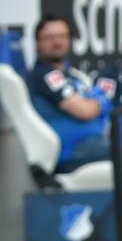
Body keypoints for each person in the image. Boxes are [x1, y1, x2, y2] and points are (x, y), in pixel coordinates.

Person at [27, 14, 116, 173]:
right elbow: (85, 111)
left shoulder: (72, 75)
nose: (57, 42)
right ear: (37, 43)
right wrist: (101, 100)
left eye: (62, 36)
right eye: (49, 37)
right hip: (74, 151)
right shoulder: (45, 75)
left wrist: (95, 102)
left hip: (96, 144)